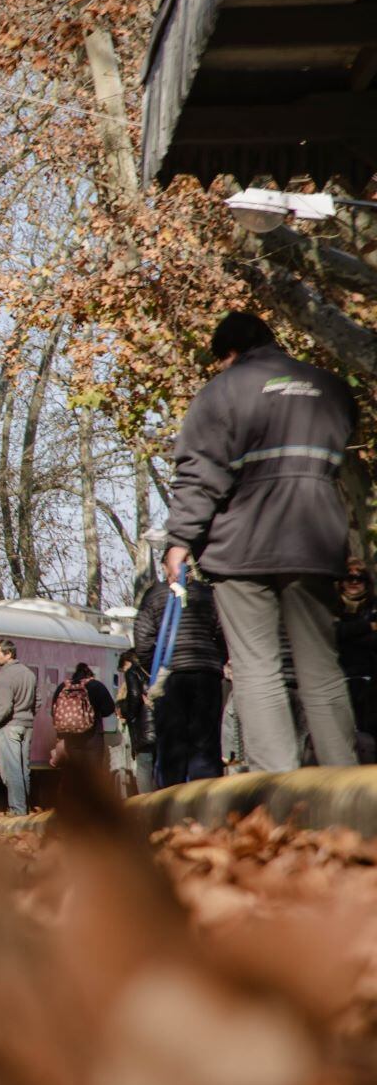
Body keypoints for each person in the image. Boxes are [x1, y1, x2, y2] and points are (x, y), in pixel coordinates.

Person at [161, 311, 359, 773]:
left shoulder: (221, 393)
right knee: (322, 667)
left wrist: (179, 542)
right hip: (314, 544)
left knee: (256, 669)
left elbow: (198, 476)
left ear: (229, 354)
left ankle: (278, 785)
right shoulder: (330, 388)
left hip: (241, 550)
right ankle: (345, 783)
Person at [132, 569, 228, 786]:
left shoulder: (156, 595)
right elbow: (224, 633)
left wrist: (154, 671)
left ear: (166, 567)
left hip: (170, 673)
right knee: (205, 744)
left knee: (172, 744)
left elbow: (143, 638)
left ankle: (172, 801)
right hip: (206, 673)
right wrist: (215, 660)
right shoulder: (209, 594)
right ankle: (205, 800)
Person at [0, 638, 41, 815]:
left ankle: (17, 811)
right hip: (27, 725)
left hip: (9, 726)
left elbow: (4, 707)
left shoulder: (4, 676)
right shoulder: (29, 674)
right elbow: (38, 701)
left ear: (8, 654)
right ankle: (24, 808)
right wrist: (28, 715)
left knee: (12, 770)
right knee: (24, 769)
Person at [334, 558, 377, 756]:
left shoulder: (374, 607)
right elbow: (330, 634)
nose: (354, 581)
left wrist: (347, 634)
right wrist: (367, 627)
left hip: (370, 680)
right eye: (349, 577)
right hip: (337, 679)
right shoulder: (331, 607)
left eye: (360, 578)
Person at [49, 662, 117, 769]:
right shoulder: (96, 686)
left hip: (70, 737)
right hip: (93, 737)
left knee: (75, 772)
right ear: (90, 675)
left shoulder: (63, 687)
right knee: (93, 773)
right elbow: (109, 709)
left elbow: (54, 712)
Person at [116, 649, 156, 793]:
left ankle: (147, 805)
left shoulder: (133, 672)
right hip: (162, 725)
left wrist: (128, 713)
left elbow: (134, 695)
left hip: (144, 729)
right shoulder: (156, 669)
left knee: (144, 766)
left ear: (128, 662)